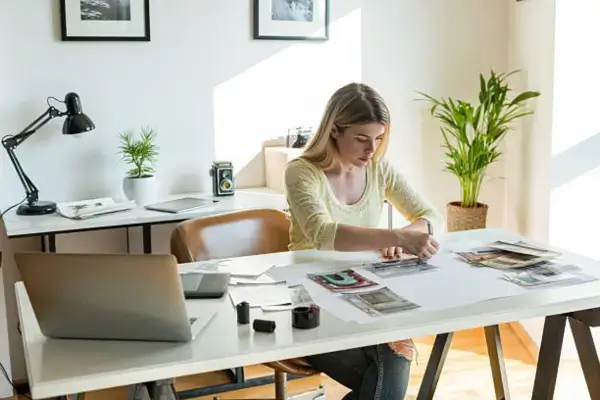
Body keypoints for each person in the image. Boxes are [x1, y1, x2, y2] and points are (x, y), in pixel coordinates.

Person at [284, 82, 444, 399]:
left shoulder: (379, 169)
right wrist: (397, 235)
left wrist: (411, 234)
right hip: (310, 302)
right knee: (395, 359)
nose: (371, 150)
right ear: (334, 131)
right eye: (361, 139)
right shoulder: (301, 172)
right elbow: (322, 233)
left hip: (364, 295)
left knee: (393, 360)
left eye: (378, 139)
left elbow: (432, 216)